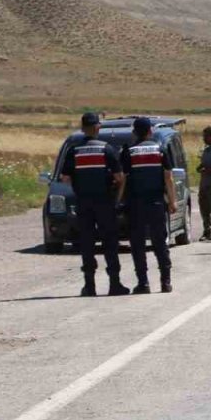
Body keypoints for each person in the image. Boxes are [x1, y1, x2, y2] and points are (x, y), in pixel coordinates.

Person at [59, 112, 129, 297]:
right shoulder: (106, 149)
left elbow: (65, 178)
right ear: (98, 127)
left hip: (83, 202)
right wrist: (116, 196)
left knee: (87, 244)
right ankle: (115, 284)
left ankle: (89, 286)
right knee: (110, 243)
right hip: (104, 202)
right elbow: (119, 177)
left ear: (82, 128)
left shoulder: (73, 151)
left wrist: (80, 182)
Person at [118, 117, 176, 294]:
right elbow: (168, 177)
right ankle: (165, 282)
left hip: (135, 204)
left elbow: (123, 180)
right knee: (160, 242)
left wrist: (118, 201)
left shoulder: (128, 152)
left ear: (134, 132)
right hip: (157, 202)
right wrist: (172, 201)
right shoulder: (160, 150)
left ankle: (143, 283)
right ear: (150, 131)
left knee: (137, 245)